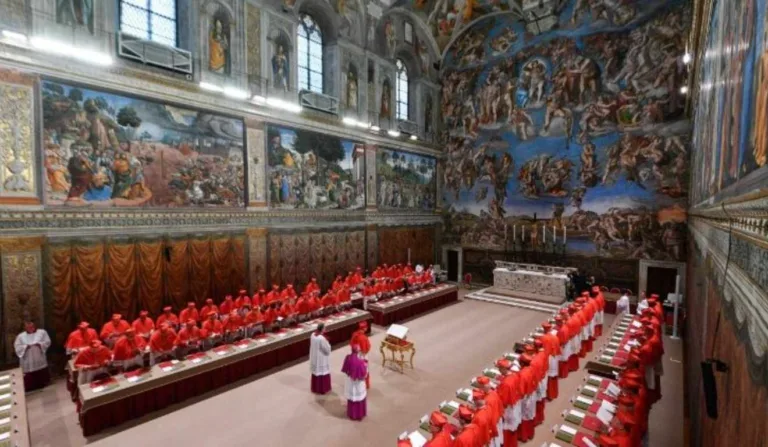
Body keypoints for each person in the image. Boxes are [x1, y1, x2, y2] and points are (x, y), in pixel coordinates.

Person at [14, 321, 51, 391]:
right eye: (28, 327)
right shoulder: (20, 336)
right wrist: (25, 347)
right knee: (28, 376)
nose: (30, 328)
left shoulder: (42, 332)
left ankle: (43, 383)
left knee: (41, 372)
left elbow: (47, 341)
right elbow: (17, 347)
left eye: (32, 326)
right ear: (25, 328)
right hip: (27, 359)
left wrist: (40, 344)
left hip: (38, 356)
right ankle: (30, 387)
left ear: (34, 326)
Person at [342, 344, 368, 421]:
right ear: (357, 351)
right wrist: (365, 365)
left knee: (352, 398)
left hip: (350, 382)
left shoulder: (347, 357)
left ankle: (351, 413)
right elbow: (364, 375)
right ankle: (359, 414)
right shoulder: (360, 362)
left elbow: (345, 370)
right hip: (358, 384)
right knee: (359, 399)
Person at [310, 323, 332, 394]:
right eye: (324, 328)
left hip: (314, 357)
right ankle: (322, 389)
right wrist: (328, 343)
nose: (325, 329)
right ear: (322, 329)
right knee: (322, 373)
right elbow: (327, 349)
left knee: (316, 372)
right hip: (321, 358)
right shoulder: (321, 338)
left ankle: (315, 388)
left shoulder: (312, 334)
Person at [350, 321, 371, 388]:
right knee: (364, 370)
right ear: (364, 328)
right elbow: (366, 349)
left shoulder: (354, 334)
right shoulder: (363, 338)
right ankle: (365, 384)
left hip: (355, 355)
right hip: (362, 356)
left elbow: (351, 344)